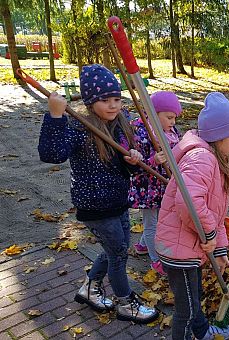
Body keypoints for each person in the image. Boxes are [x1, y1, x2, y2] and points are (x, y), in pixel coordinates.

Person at [38, 64, 159, 324]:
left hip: (118, 201)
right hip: (95, 206)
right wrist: (55, 117)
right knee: (118, 253)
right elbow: (51, 154)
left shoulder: (118, 124)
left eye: (116, 98)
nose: (113, 105)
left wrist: (133, 159)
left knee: (117, 248)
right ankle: (126, 303)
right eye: (105, 100)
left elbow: (123, 164)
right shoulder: (79, 128)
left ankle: (89, 289)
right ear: (91, 101)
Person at [154, 92, 229, 340]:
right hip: (178, 247)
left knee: (195, 296)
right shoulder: (202, 159)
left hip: (189, 244)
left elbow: (216, 213)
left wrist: (220, 248)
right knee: (187, 308)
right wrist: (210, 234)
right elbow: (189, 203)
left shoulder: (212, 158)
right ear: (217, 136)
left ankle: (203, 332)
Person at [129, 91, 182, 275]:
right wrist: (153, 161)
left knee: (156, 219)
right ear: (154, 113)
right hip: (148, 187)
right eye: (169, 117)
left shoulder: (172, 133)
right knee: (153, 224)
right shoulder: (143, 133)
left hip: (163, 184)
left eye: (174, 118)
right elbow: (135, 164)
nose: (173, 122)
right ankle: (155, 260)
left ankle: (143, 245)